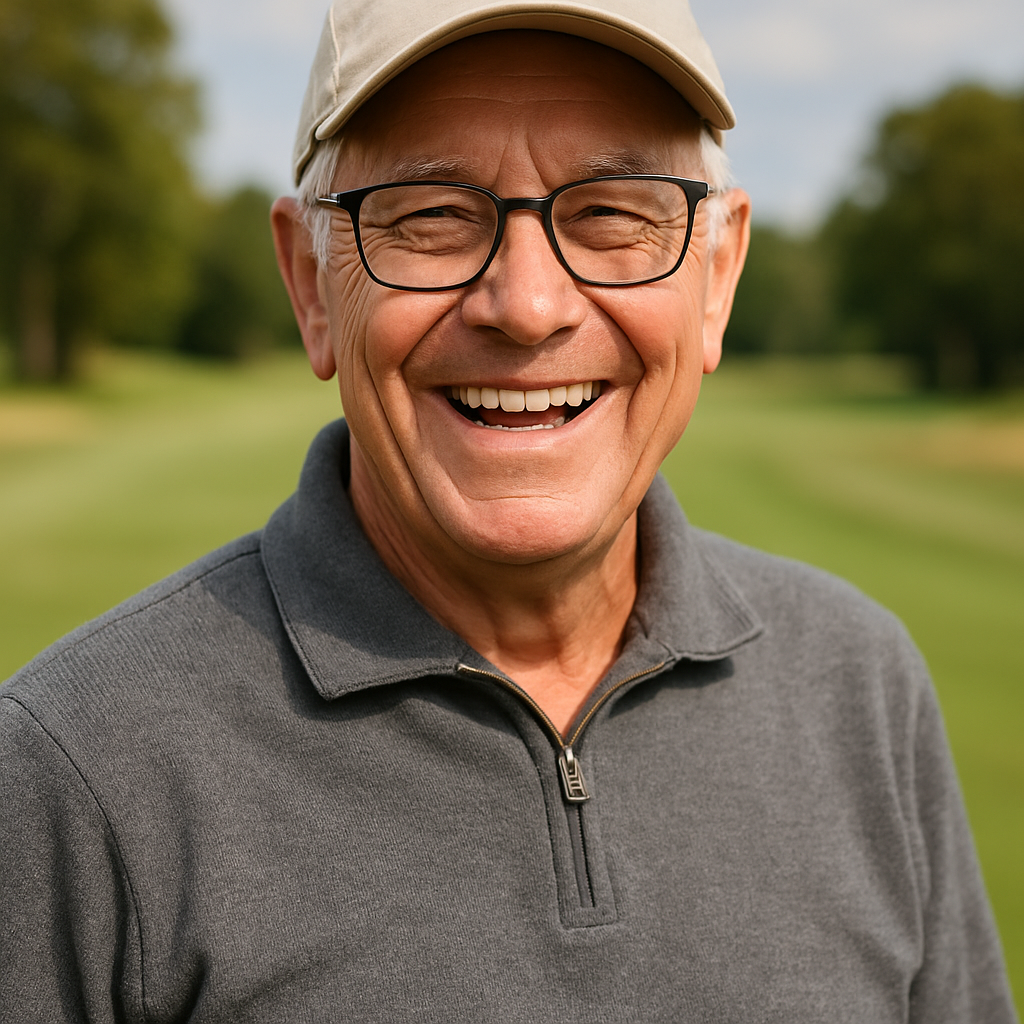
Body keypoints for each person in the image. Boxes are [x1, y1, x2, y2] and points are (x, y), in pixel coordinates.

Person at [0, 0, 1015, 1020]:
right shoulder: (75, 770)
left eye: (614, 211)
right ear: (312, 286)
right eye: (430, 215)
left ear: (716, 278)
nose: (528, 307)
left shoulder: (861, 688)